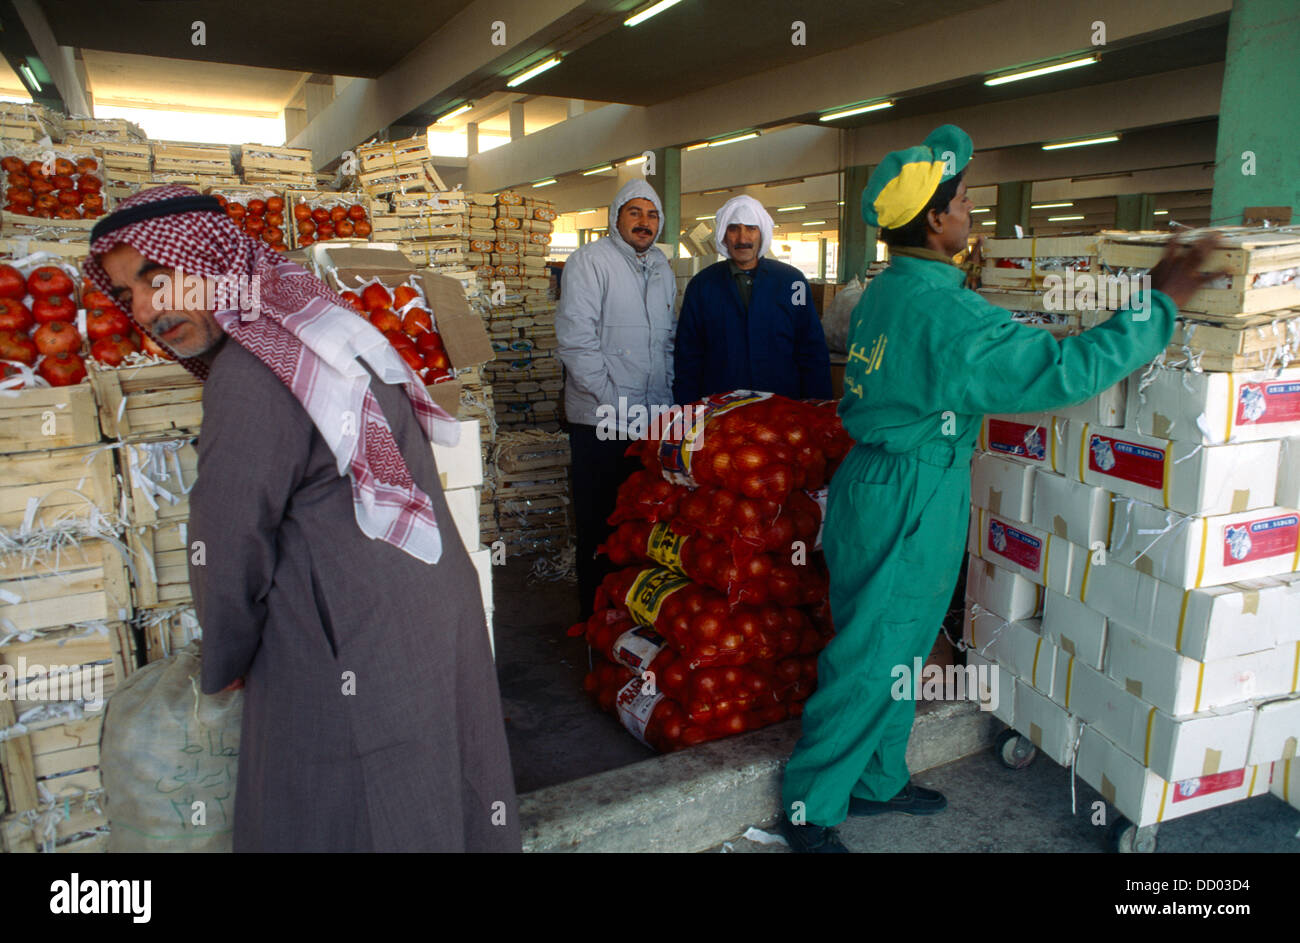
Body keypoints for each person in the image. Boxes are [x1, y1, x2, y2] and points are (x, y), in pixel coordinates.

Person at [778, 125, 1224, 853]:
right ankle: (811, 806)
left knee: (902, 644)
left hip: (882, 480)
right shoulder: (947, 315)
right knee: (872, 651)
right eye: (961, 202)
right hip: (911, 489)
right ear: (934, 220)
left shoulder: (891, 290)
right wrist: (1158, 304)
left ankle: (877, 777)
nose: (971, 211)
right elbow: (1065, 371)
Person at [85, 185, 521, 853]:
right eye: (129, 292)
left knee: (346, 809)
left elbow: (227, 541)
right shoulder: (315, 322)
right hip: (425, 618)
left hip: (350, 638)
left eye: (156, 275)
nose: (146, 308)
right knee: (435, 793)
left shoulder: (249, 372)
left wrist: (225, 658)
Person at [556, 179, 675, 619]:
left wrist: (668, 404)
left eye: (652, 215)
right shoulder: (589, 262)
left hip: (652, 420)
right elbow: (576, 342)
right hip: (600, 419)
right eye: (635, 213)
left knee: (643, 521)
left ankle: (630, 616)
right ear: (616, 217)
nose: (644, 223)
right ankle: (595, 618)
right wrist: (612, 403)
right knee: (599, 521)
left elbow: (668, 341)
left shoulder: (662, 266)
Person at [673, 194, 831, 404]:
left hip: (781, 409)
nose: (742, 239)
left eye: (751, 228)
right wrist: (688, 411)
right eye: (733, 229)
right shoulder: (702, 286)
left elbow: (811, 349)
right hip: (720, 410)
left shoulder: (794, 283)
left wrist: (817, 406)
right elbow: (688, 356)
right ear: (723, 235)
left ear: (762, 233)